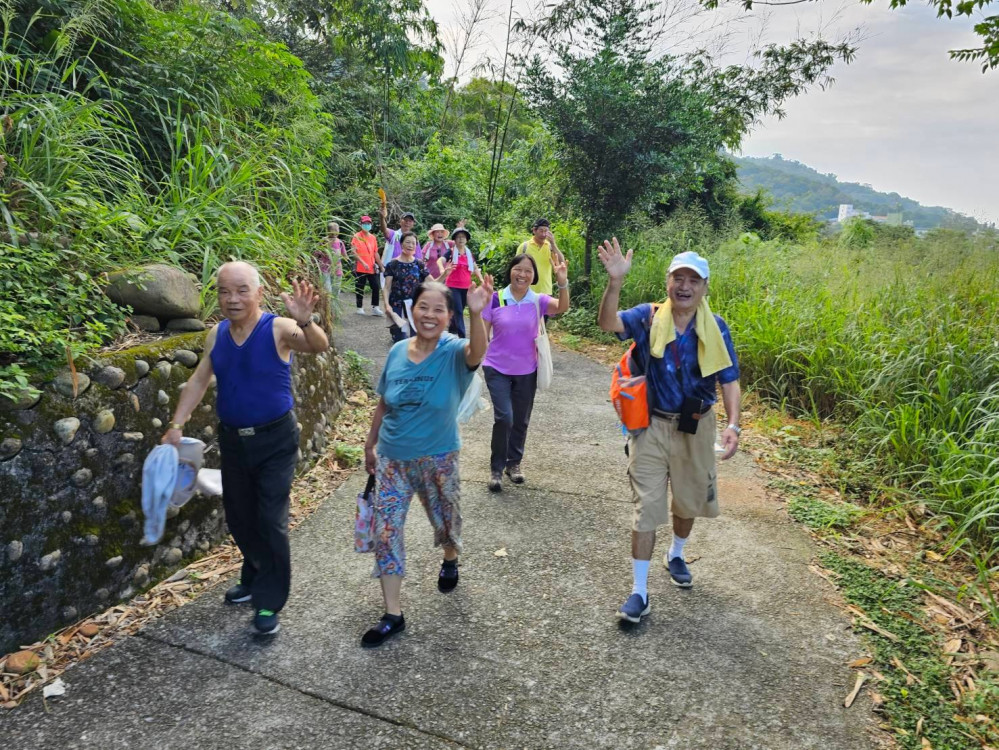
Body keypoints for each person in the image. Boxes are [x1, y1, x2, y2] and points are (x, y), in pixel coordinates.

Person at [162, 262, 330, 635]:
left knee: (270, 519)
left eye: (241, 290)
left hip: (275, 439)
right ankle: (254, 574)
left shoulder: (278, 328)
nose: (232, 298)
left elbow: (318, 346)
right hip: (233, 439)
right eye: (224, 291)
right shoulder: (217, 334)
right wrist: (176, 425)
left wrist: (305, 321)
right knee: (239, 517)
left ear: (258, 293)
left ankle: (268, 602)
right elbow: (198, 380)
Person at [597, 242, 741, 625]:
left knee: (687, 502)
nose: (685, 286)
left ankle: (676, 552)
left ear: (704, 288)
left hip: (697, 426)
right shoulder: (648, 317)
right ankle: (639, 593)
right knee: (646, 507)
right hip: (650, 425)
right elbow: (608, 324)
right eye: (679, 277)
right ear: (668, 281)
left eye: (694, 280)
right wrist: (615, 283)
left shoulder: (716, 327)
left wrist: (733, 424)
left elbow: (729, 379)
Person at [361, 278, 492, 648]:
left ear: (450, 316)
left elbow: (477, 353)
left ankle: (450, 557)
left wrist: (477, 313)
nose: (430, 315)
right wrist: (370, 445)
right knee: (386, 532)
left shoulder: (454, 351)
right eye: (423, 307)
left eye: (439, 309)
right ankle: (392, 614)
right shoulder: (398, 351)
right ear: (412, 310)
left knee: (446, 520)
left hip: (438, 458)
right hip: (392, 459)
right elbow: (384, 402)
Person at [481, 253, 569, 492]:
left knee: (521, 419)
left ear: (534, 276)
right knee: (504, 417)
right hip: (496, 367)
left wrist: (562, 281)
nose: (522, 274)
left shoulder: (537, 301)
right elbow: (481, 334)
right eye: (518, 269)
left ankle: (514, 464)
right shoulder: (496, 298)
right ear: (510, 270)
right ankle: (496, 469)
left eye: (528, 271)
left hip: (527, 370)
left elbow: (562, 306)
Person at [383, 232, 429, 337]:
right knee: (399, 338)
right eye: (408, 242)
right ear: (401, 244)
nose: (411, 245)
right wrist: (387, 305)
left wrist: (445, 273)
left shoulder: (419, 264)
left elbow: (433, 283)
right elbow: (387, 287)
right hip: (396, 306)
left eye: (413, 243)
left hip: (415, 306)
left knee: (414, 338)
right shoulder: (392, 264)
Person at [442, 226, 483, 338]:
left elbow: (475, 268)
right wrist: (443, 270)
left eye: (463, 237)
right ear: (454, 240)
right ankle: (462, 337)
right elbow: (440, 260)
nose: (461, 239)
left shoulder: (469, 254)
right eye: (458, 237)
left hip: (466, 287)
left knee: (458, 310)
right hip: (452, 286)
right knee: (459, 310)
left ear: (466, 240)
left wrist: (481, 279)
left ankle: (451, 331)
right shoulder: (450, 252)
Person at [517, 218, 566, 297]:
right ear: (534, 230)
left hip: (546, 291)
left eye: (546, 231)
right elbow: (516, 268)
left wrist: (553, 244)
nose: (543, 234)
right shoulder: (524, 247)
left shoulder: (550, 247)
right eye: (541, 231)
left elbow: (561, 262)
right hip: (526, 291)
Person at [351, 215, 384, 316]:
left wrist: (381, 265)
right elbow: (353, 252)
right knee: (360, 287)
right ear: (361, 224)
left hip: (371, 267)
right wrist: (362, 262)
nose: (367, 225)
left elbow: (375, 253)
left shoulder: (373, 238)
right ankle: (359, 307)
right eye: (365, 223)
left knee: (376, 286)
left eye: (368, 223)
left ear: (371, 225)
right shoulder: (356, 236)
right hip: (360, 267)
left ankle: (375, 307)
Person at [316, 221, 347, 296]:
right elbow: (316, 253)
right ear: (328, 232)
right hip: (325, 268)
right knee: (328, 290)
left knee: (336, 290)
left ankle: (333, 307)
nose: (334, 234)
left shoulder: (340, 242)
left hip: (337, 269)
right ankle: (327, 307)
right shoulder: (323, 241)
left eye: (336, 231)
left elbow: (345, 255)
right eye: (332, 232)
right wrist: (323, 248)